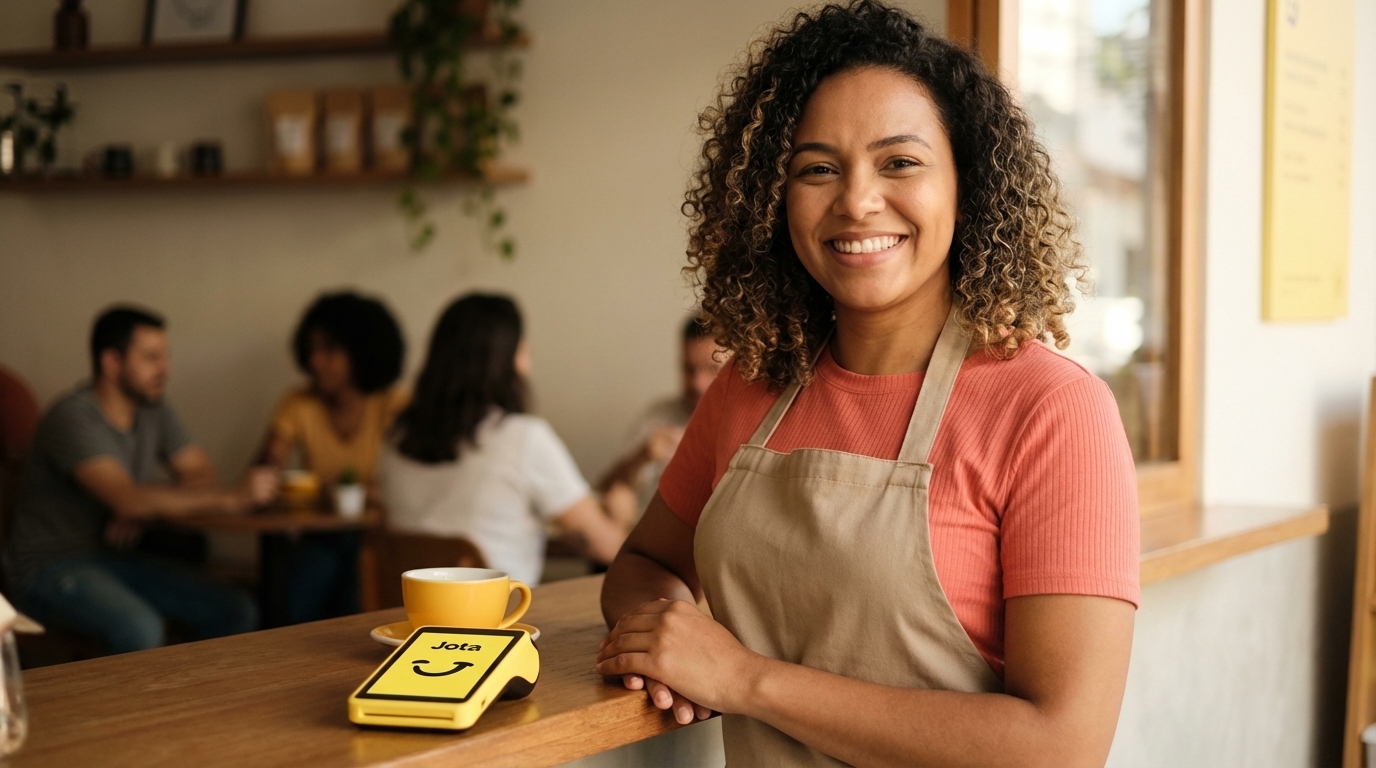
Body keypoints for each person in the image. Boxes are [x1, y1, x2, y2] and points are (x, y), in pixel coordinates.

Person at [597, 3, 1139, 765]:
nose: (856, 201)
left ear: (967, 184)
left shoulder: (1052, 410)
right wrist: (664, 634)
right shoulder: (752, 387)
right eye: (817, 168)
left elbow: (1062, 745)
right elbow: (643, 565)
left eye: (900, 163)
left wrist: (745, 679)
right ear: (774, 199)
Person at [2, 307, 272, 654]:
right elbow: (128, 499)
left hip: (117, 557)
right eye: (151, 357)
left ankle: (191, 700)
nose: (165, 369)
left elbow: (201, 475)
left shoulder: (154, 409)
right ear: (112, 362)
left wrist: (141, 504)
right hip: (49, 567)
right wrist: (232, 498)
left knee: (237, 610)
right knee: (140, 628)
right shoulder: (72, 416)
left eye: (166, 357)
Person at [379, 293, 627, 586]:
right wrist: (620, 513)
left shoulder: (394, 436)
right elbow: (609, 548)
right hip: (498, 621)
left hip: (412, 621)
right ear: (514, 360)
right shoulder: (524, 438)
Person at [256, 291, 407, 624]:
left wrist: (337, 488)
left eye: (329, 350)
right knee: (301, 590)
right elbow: (263, 475)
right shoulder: (299, 403)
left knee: (355, 583)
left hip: (377, 537)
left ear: (362, 353)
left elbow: (412, 485)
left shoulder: (395, 406)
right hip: (319, 535)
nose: (315, 361)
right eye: (312, 349)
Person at [597, 314, 725, 527]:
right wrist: (642, 457)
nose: (697, 382)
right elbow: (604, 491)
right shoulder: (660, 415)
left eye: (711, 369)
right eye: (689, 369)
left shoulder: (746, 421)